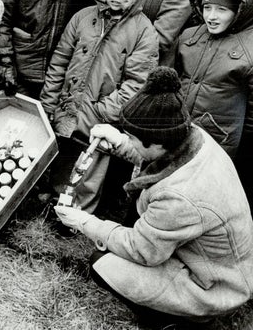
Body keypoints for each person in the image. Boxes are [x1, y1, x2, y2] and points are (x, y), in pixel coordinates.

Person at [55, 67, 253, 324]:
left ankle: (175, 321)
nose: (130, 140)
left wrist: (84, 222)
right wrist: (118, 140)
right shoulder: (192, 136)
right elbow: (157, 158)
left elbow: (142, 250)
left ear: (156, 141)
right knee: (128, 226)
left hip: (214, 286)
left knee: (100, 262)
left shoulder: (178, 198)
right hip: (223, 264)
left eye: (132, 137)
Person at [40, 0, 158, 213]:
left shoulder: (143, 31)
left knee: (90, 169)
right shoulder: (83, 17)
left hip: (101, 117)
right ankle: (52, 205)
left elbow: (137, 83)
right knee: (62, 159)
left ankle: (78, 217)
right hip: (68, 107)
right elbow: (60, 61)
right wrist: (49, 102)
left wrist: (103, 111)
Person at [172, 0, 253, 197]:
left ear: (241, 10)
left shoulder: (249, 50)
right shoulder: (189, 37)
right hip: (178, 132)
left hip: (218, 143)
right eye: (207, 7)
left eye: (222, 9)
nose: (212, 16)